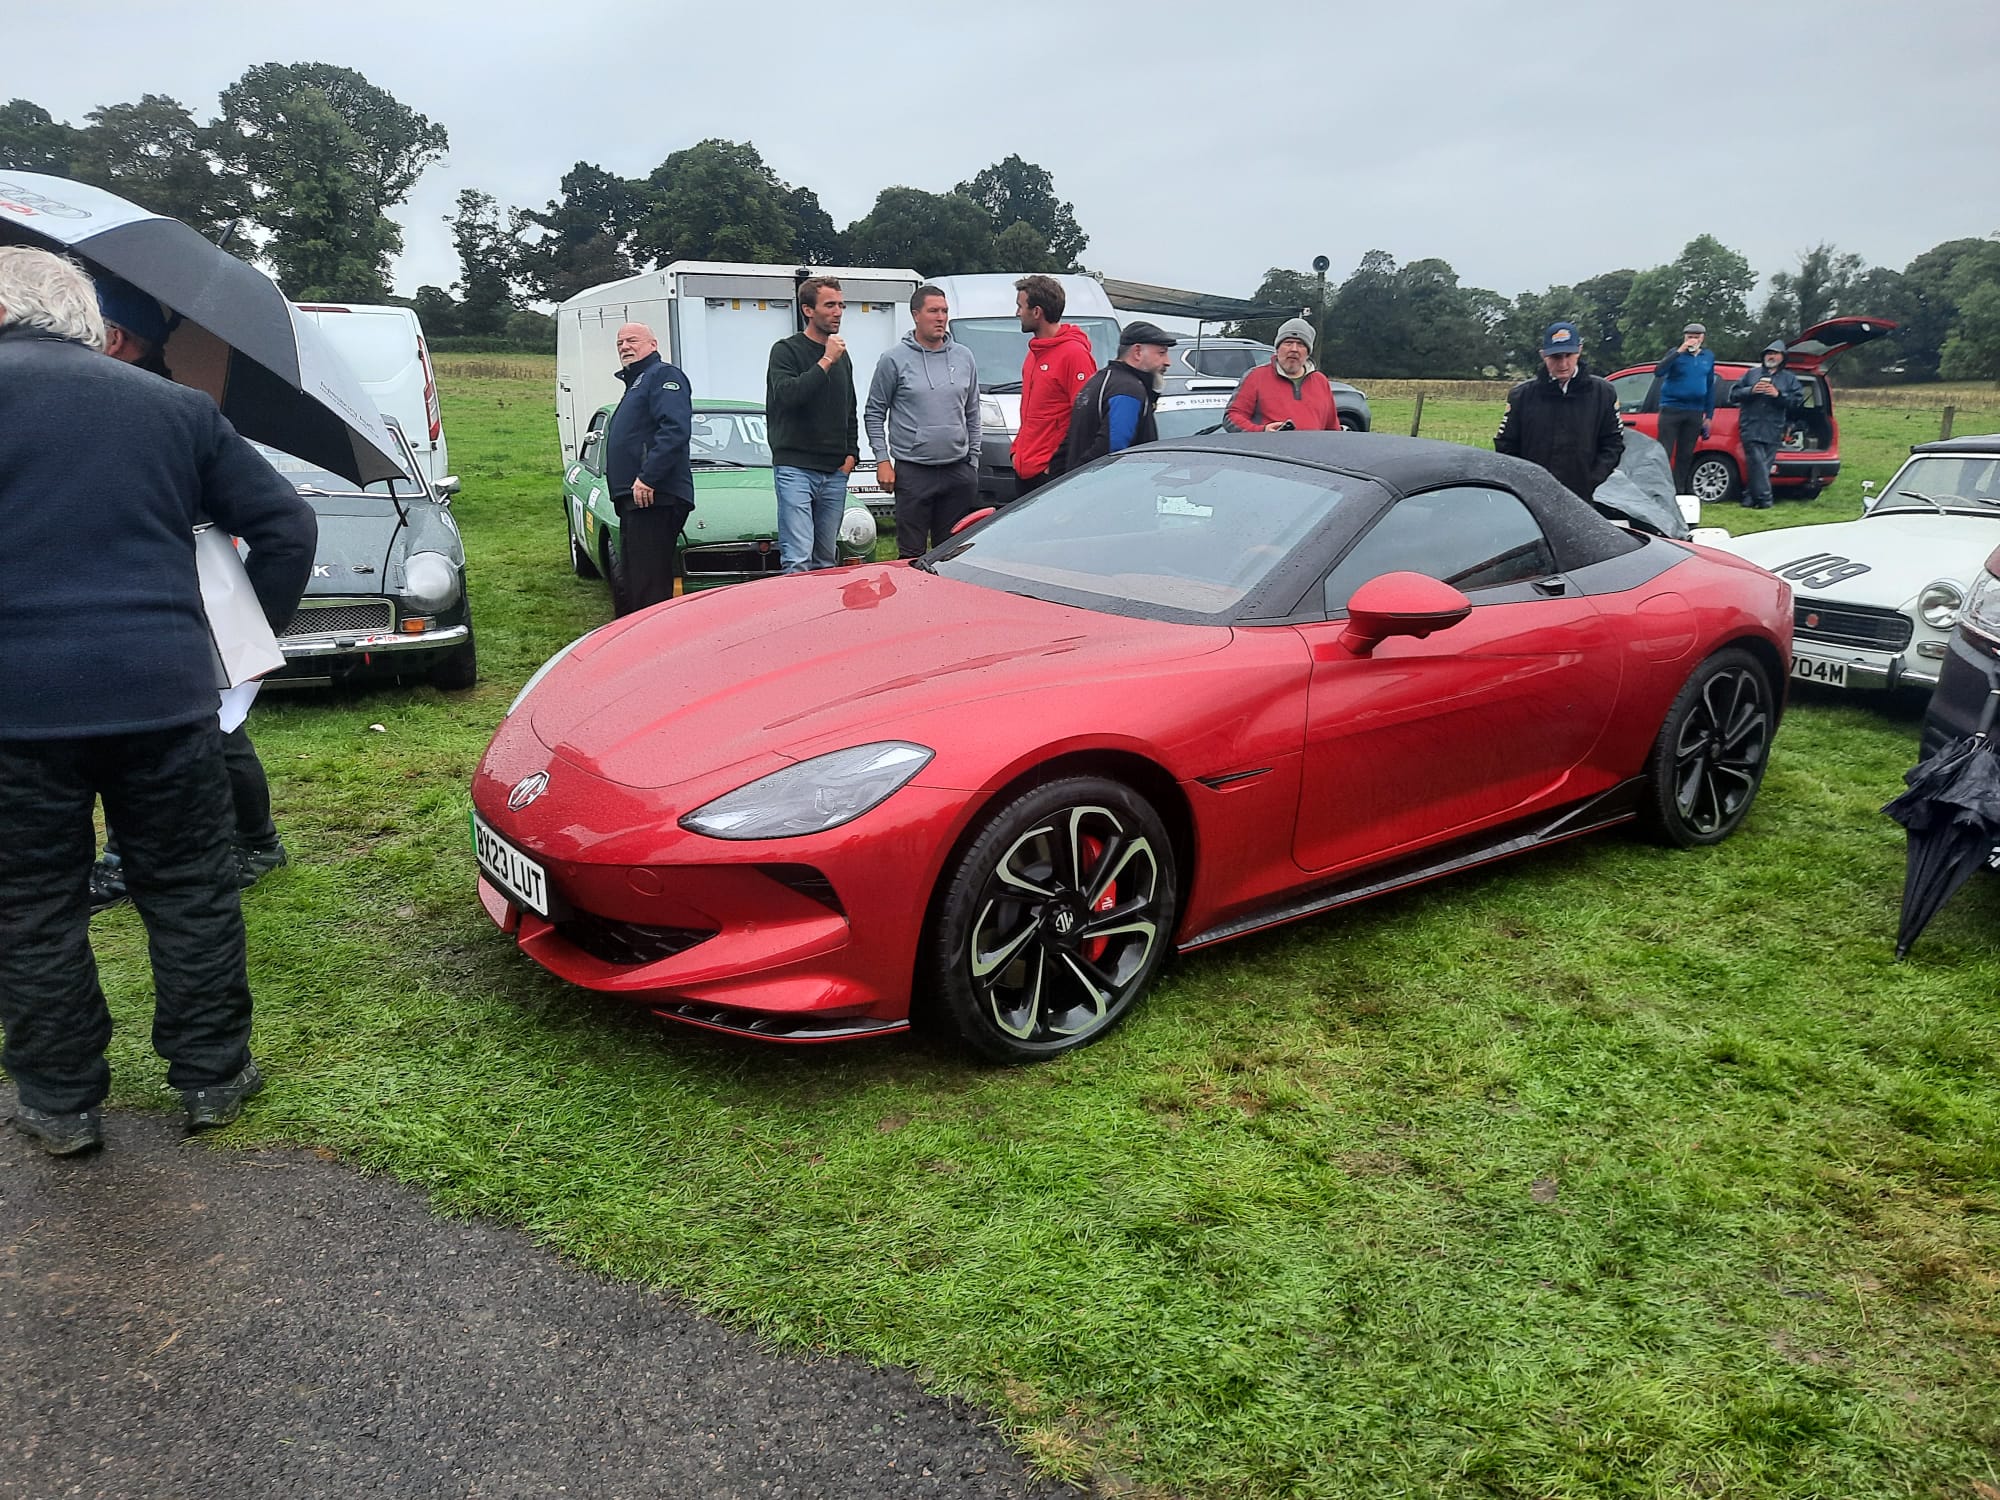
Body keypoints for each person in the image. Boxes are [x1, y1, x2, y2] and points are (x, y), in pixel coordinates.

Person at [0, 247, 316, 1155]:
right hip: (164, 693)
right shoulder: (174, 408)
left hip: (15, 711)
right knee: (188, 888)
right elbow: (287, 526)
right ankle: (213, 1075)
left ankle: (59, 1100)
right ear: (89, 322)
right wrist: (242, 649)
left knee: (30, 905)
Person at [89, 277, 290, 912]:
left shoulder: (164, 410)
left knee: (204, 727)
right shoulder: (147, 401)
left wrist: (255, 627)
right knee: (207, 726)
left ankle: (249, 844)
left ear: (116, 340)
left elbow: (280, 523)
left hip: (182, 592)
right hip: (169, 594)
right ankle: (240, 843)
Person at [866, 285, 981, 557]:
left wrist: (973, 461)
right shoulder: (893, 360)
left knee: (951, 554)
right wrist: (883, 460)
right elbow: (874, 411)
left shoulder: (964, 357)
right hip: (914, 471)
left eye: (944, 311)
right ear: (916, 315)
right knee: (911, 555)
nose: (940, 317)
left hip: (957, 471)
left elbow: (973, 412)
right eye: (933, 311)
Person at [766, 276, 859, 573]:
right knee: (798, 559)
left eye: (841, 305)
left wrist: (851, 455)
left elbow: (850, 409)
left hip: (834, 471)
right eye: (830, 305)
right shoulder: (786, 351)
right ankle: (797, 618)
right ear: (808, 310)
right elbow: (789, 396)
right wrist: (826, 360)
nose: (838, 312)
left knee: (826, 562)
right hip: (796, 468)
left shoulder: (843, 358)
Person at [604, 322, 695, 613]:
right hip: (636, 499)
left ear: (653, 345)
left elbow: (675, 429)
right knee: (634, 583)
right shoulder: (637, 381)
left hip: (655, 496)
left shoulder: (663, 375)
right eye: (619, 343)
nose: (624, 347)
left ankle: (655, 649)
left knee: (650, 585)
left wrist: (648, 477)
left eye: (632, 340)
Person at [1494, 321, 1623, 499]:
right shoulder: (1521, 396)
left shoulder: (1603, 393)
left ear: (1579, 351)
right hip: (1532, 494)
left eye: (1568, 355)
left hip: (1581, 495)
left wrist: (1592, 479)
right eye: (1556, 357)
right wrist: (1524, 480)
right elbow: (1505, 445)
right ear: (1543, 355)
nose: (1563, 363)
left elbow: (1613, 443)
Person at [1012, 274, 1096, 495]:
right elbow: (1031, 414)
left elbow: (1084, 418)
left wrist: (1057, 466)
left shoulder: (1074, 354)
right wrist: (1016, 450)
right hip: (1025, 468)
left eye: (1020, 307)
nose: (1017, 313)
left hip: (1049, 475)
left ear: (1037, 312)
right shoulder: (1035, 352)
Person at [1064, 321, 1175, 468]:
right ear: (1137, 352)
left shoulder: (1099, 380)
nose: (1168, 362)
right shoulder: (1128, 389)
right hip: (1106, 486)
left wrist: (1063, 481)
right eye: (1161, 353)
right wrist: (1077, 480)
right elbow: (1112, 450)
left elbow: (1068, 443)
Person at [1225, 317, 1343, 433]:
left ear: (1308, 353)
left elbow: (1332, 428)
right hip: (1268, 451)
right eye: (1288, 343)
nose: (1294, 349)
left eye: (1301, 344)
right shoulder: (1255, 377)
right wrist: (1261, 431)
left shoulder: (1320, 381)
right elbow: (1232, 417)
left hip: (1311, 452)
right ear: (1277, 348)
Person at [1733, 340, 1805, 510]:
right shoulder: (1751, 374)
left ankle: (1750, 497)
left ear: (1782, 357)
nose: (1771, 356)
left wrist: (1778, 395)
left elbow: (1797, 401)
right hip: (1750, 426)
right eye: (1768, 353)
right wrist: (1751, 390)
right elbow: (1734, 394)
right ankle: (1766, 499)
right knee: (1757, 462)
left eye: (1775, 353)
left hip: (1773, 428)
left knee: (1762, 466)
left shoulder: (1790, 379)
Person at [1654, 321, 1715, 494]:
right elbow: (1659, 371)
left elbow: (1710, 386)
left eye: (1696, 337)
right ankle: (1660, 489)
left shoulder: (1708, 357)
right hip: (1671, 408)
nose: (1692, 340)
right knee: (1664, 450)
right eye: (1689, 337)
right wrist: (1679, 352)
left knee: (1686, 453)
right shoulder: (1675, 353)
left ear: (1702, 338)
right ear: (1684, 337)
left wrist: (1709, 415)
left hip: (1694, 411)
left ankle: (1679, 490)